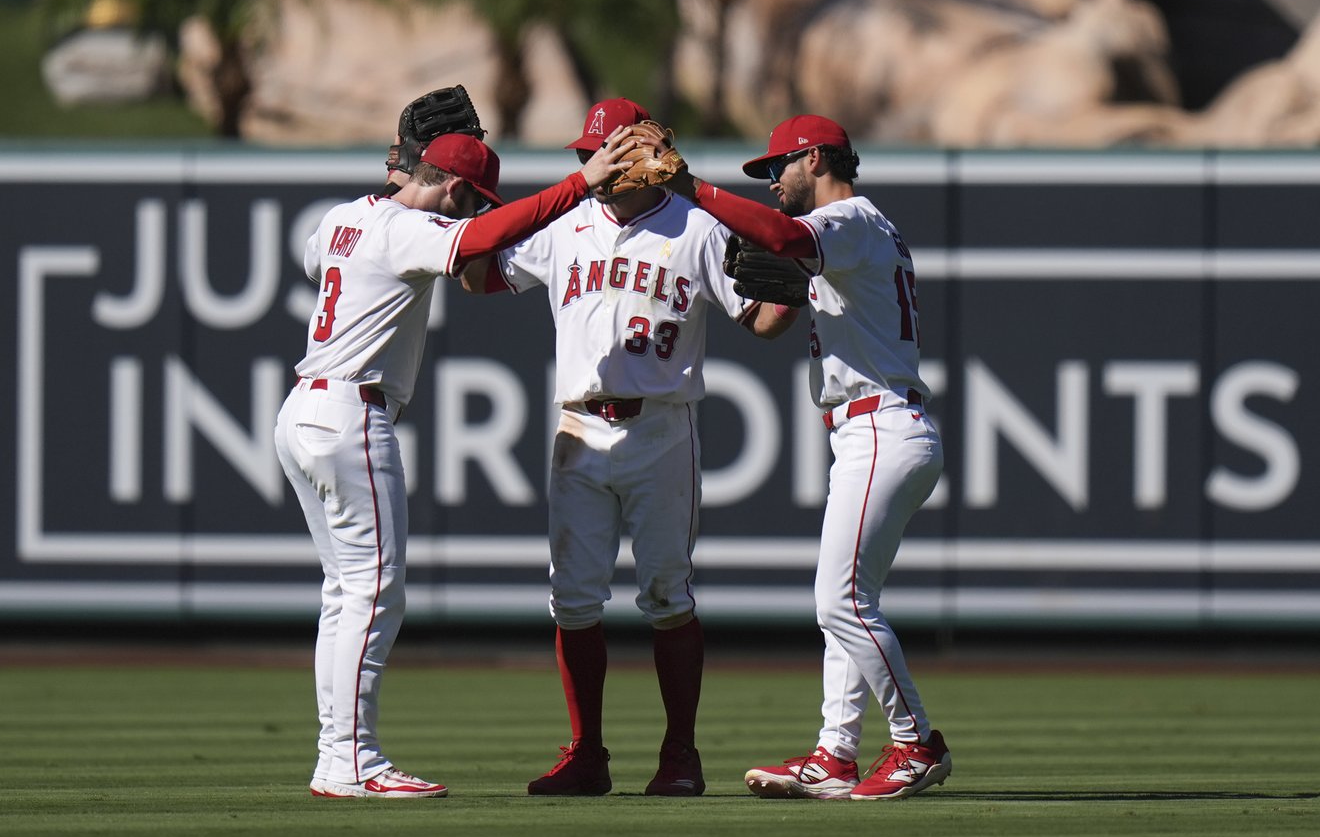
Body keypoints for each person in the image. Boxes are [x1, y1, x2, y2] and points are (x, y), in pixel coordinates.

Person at [276, 131, 632, 799]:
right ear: (456, 187)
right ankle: (353, 759)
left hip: (301, 409)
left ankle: (335, 755)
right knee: (375, 591)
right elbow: (480, 238)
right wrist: (578, 186)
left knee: (344, 591)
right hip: (352, 412)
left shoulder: (344, 218)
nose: (476, 210)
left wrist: (403, 168)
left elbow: (318, 259)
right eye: (474, 198)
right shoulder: (408, 230)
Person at [463, 98, 791, 797]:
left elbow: (762, 320)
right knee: (572, 598)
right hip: (578, 428)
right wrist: (469, 207)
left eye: (607, 152)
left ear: (648, 151)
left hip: (660, 428)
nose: (597, 166)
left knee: (667, 593)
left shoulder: (696, 227)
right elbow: (477, 276)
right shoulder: (566, 224)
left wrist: (795, 287)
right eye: (588, 155)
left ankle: (680, 755)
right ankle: (587, 754)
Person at [647, 114, 950, 800]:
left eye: (777, 166)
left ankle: (916, 742)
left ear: (815, 158)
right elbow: (771, 309)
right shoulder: (843, 236)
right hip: (867, 430)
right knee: (849, 602)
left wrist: (695, 190)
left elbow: (785, 238)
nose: (772, 182)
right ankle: (835, 754)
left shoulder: (850, 220)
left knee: (840, 601)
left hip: (881, 426)